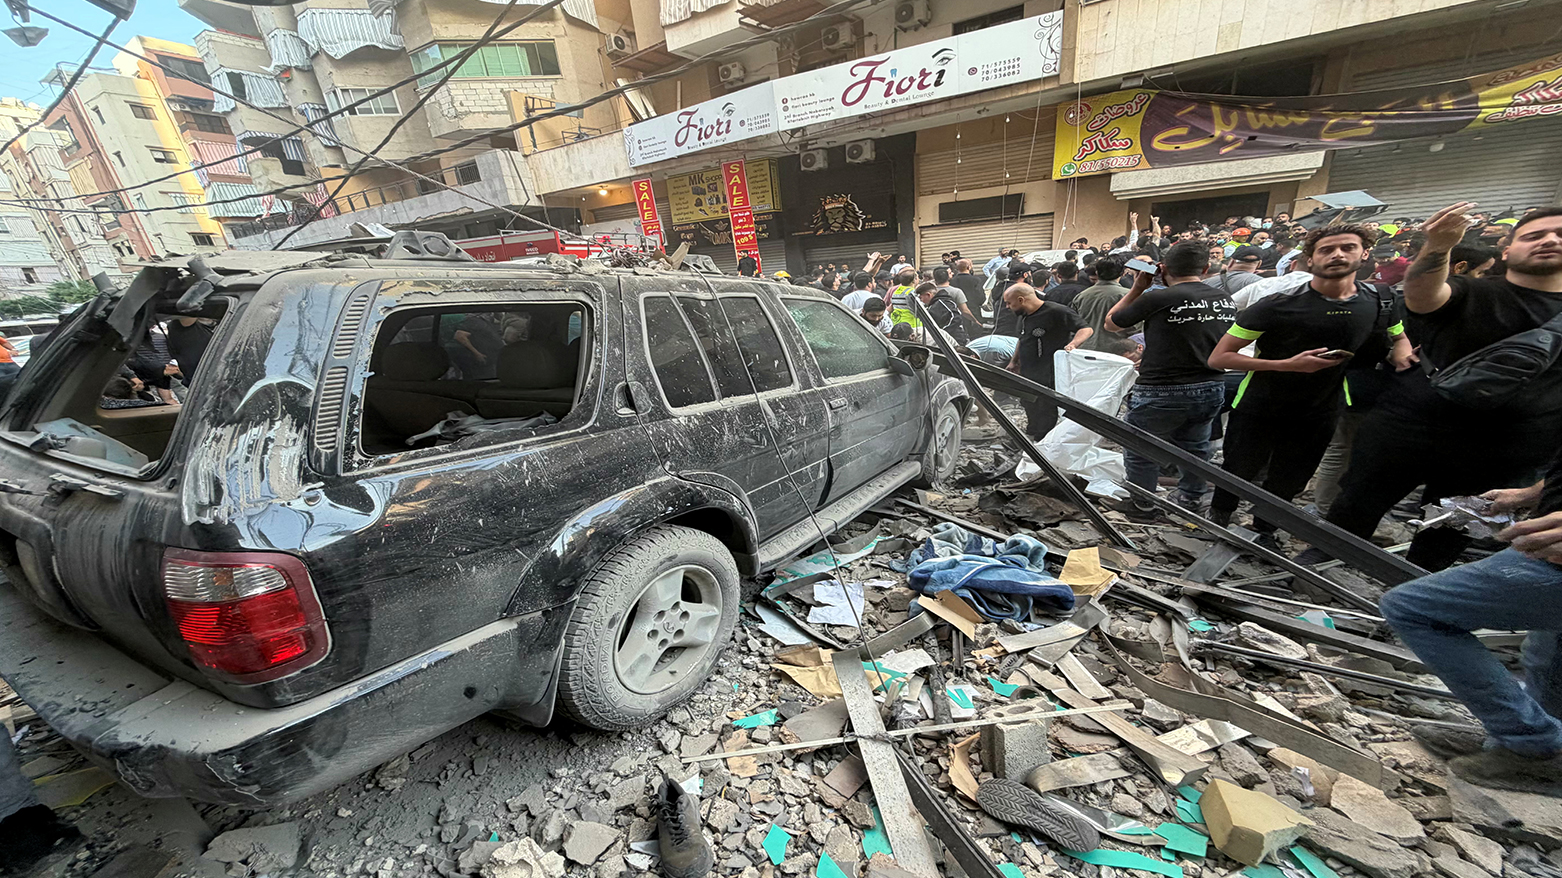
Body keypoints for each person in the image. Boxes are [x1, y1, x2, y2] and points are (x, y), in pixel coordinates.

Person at [1300, 204, 1562, 570]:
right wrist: (1438, 246)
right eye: (1534, 235)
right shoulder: (1473, 291)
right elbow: (1423, 295)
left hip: (1509, 445)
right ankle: (1322, 558)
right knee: (1359, 496)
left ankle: (1419, 581)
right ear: (1507, 250)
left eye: (1558, 235)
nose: (1549, 240)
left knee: (1454, 526)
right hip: (1410, 423)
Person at [1205, 223, 1408, 545]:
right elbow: (1219, 358)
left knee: (1291, 477)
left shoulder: (1380, 300)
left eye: (1347, 247)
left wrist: (1402, 352)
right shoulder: (1276, 305)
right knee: (1237, 468)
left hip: (1322, 407)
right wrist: (1287, 365)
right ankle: (1219, 517)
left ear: (1364, 254)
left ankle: (1264, 529)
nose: (1338, 254)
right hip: (1261, 402)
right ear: (1309, 260)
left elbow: (1398, 334)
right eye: (1326, 249)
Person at [1377, 449, 1562, 793]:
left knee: (1413, 608)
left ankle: (1532, 743)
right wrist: (1531, 494)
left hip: (1551, 558)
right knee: (1548, 654)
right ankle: (1536, 748)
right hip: (1550, 545)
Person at [1105, 241, 1237, 517]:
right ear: (1204, 268)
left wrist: (1139, 287)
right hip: (1211, 385)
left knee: (1142, 448)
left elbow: (1112, 322)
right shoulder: (1223, 299)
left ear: (1162, 269)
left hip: (1162, 388)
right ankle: (1190, 499)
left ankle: (1143, 503)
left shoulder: (1159, 297)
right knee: (1196, 447)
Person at [1002, 283, 1092, 439]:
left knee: (1045, 406)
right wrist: (1014, 361)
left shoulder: (1056, 311)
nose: (1007, 307)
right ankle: (1032, 433)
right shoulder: (1024, 317)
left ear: (1021, 299)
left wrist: (1072, 344)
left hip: (1049, 370)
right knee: (1028, 402)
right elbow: (1023, 339)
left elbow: (1086, 329)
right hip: (1028, 370)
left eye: (1009, 303)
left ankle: (1043, 440)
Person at [1071, 256, 1136, 352]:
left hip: (1084, 351)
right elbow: (1135, 328)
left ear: (1097, 272)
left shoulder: (1081, 296)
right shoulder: (1128, 296)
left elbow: (1073, 324)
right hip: (1116, 352)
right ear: (1123, 273)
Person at [925, 279, 969, 344]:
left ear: (928, 295)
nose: (921, 299)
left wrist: (942, 333)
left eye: (921, 297)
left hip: (956, 338)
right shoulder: (933, 305)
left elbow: (955, 318)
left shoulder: (943, 302)